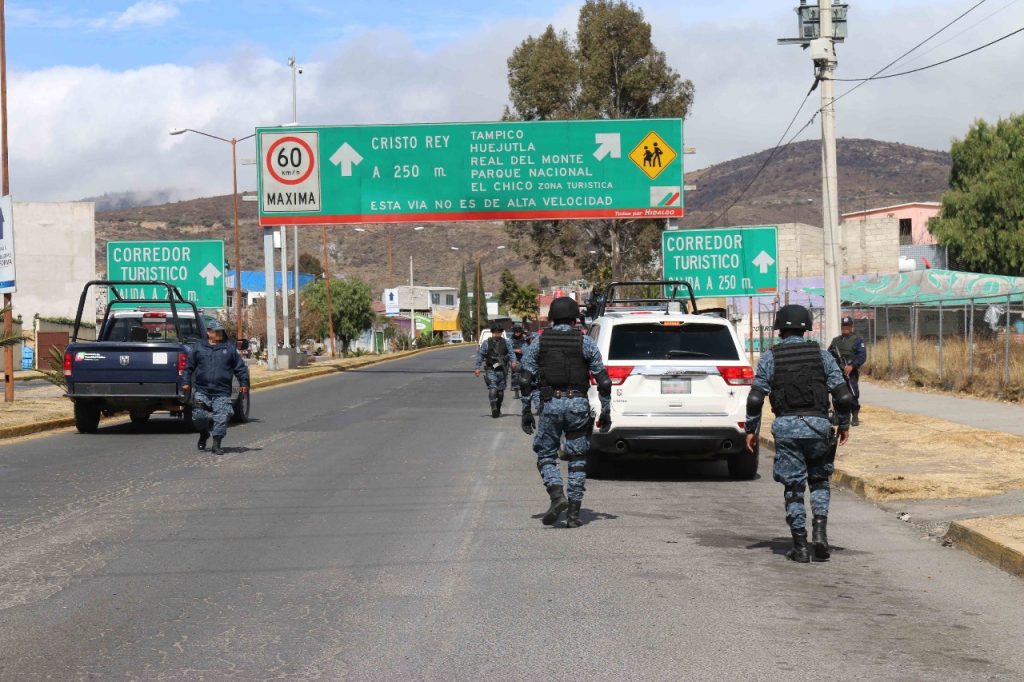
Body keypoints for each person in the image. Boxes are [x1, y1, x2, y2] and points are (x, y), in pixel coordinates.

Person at [744, 305, 855, 563]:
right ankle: (820, 534)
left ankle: (800, 546)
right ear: (806, 327)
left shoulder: (771, 357)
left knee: (794, 486)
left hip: (787, 430)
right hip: (819, 428)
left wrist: (751, 429)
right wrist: (844, 424)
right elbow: (843, 395)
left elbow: (754, 398)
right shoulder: (822, 355)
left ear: (780, 328)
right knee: (819, 482)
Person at [519, 297, 612, 529]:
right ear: (574, 319)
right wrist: (606, 411)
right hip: (578, 405)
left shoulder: (539, 342)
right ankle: (573, 514)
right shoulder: (585, 342)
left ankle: (556, 494)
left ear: (552, 317)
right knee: (578, 459)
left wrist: (526, 410)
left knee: (546, 454)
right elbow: (604, 381)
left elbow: (524, 378)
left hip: (550, 405)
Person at [182, 319, 250, 455]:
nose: (219, 334)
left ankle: (216, 443)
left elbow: (240, 368)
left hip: (222, 391)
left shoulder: (229, 348)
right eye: (216, 331)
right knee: (198, 416)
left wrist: (244, 383)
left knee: (221, 417)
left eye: (221, 331)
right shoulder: (199, 347)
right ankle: (204, 433)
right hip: (202, 389)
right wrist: (186, 382)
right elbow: (188, 367)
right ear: (209, 332)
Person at [828, 316, 867, 426]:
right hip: (837, 372)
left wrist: (852, 366)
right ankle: (837, 415)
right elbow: (829, 354)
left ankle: (854, 415)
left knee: (853, 393)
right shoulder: (836, 341)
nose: (845, 328)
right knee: (836, 394)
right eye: (843, 326)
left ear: (851, 327)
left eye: (847, 326)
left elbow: (862, 356)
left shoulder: (857, 340)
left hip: (851, 372)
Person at [474, 322, 517, 418]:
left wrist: (513, 362)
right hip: (491, 369)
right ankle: (493, 407)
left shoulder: (507, 342)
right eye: (495, 332)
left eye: (499, 332)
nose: (497, 334)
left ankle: (498, 407)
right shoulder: (486, 343)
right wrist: (477, 367)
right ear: (492, 332)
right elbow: (480, 355)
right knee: (493, 389)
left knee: (500, 392)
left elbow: (511, 353)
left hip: (502, 370)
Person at [509, 324, 531, 401]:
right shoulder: (511, 339)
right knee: (515, 376)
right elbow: (509, 349)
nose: (517, 333)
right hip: (515, 359)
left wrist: (526, 333)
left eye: (518, 331)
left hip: (525, 359)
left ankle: (526, 391)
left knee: (525, 375)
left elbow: (530, 343)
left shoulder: (524, 338)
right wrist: (516, 350)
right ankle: (516, 392)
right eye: (515, 331)